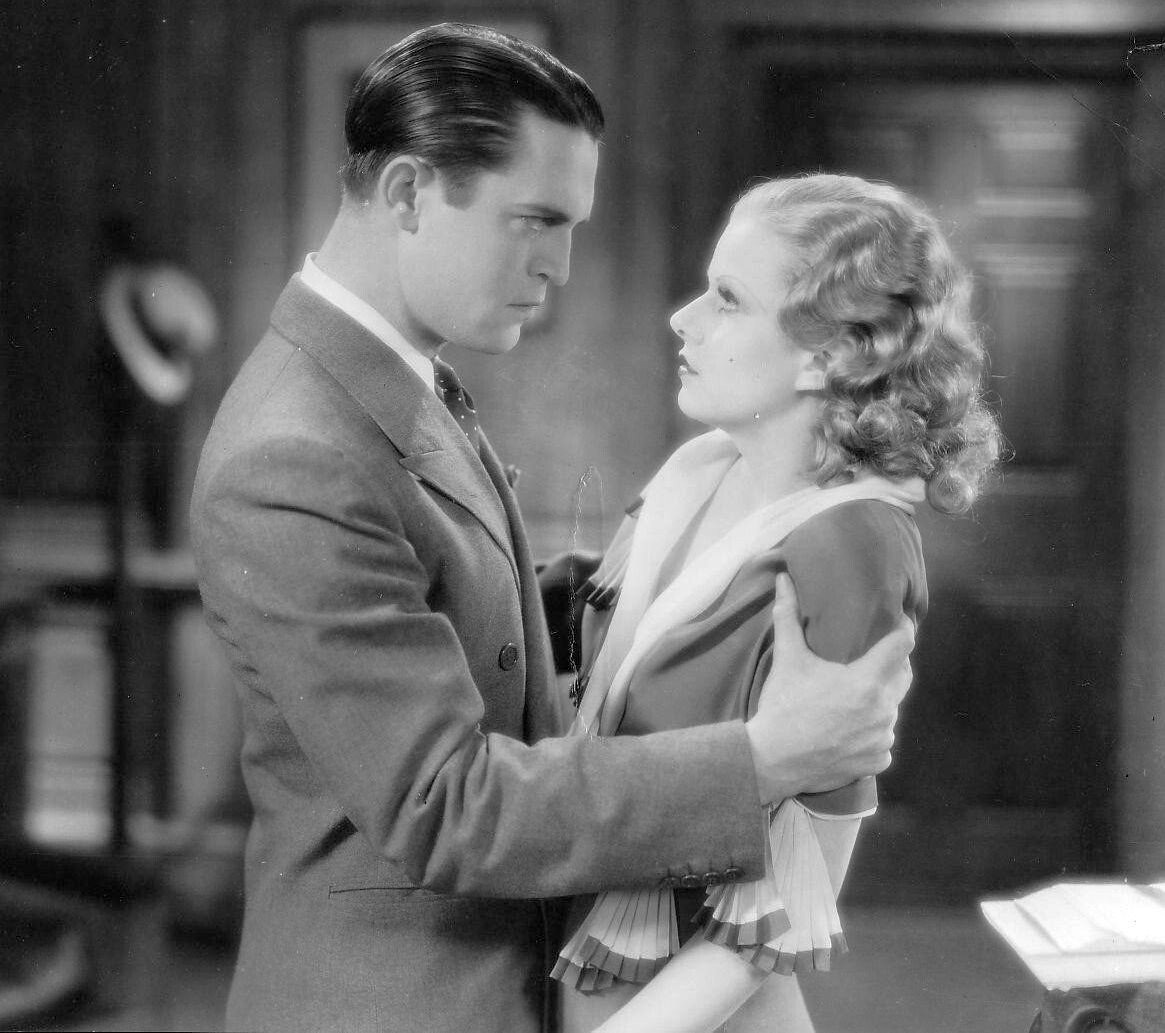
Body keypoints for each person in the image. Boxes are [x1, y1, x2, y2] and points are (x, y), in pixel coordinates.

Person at [189, 25, 915, 1033]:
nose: (562, 265)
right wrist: (766, 757)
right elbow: (446, 804)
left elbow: (445, 603)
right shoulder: (295, 449)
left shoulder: (383, 379)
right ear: (407, 192)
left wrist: (677, 583)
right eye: (535, 220)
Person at [552, 173, 1001, 1033]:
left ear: (828, 354)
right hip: (592, 976)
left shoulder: (852, 541)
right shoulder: (697, 476)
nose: (683, 319)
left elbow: (802, 888)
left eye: (727, 299)